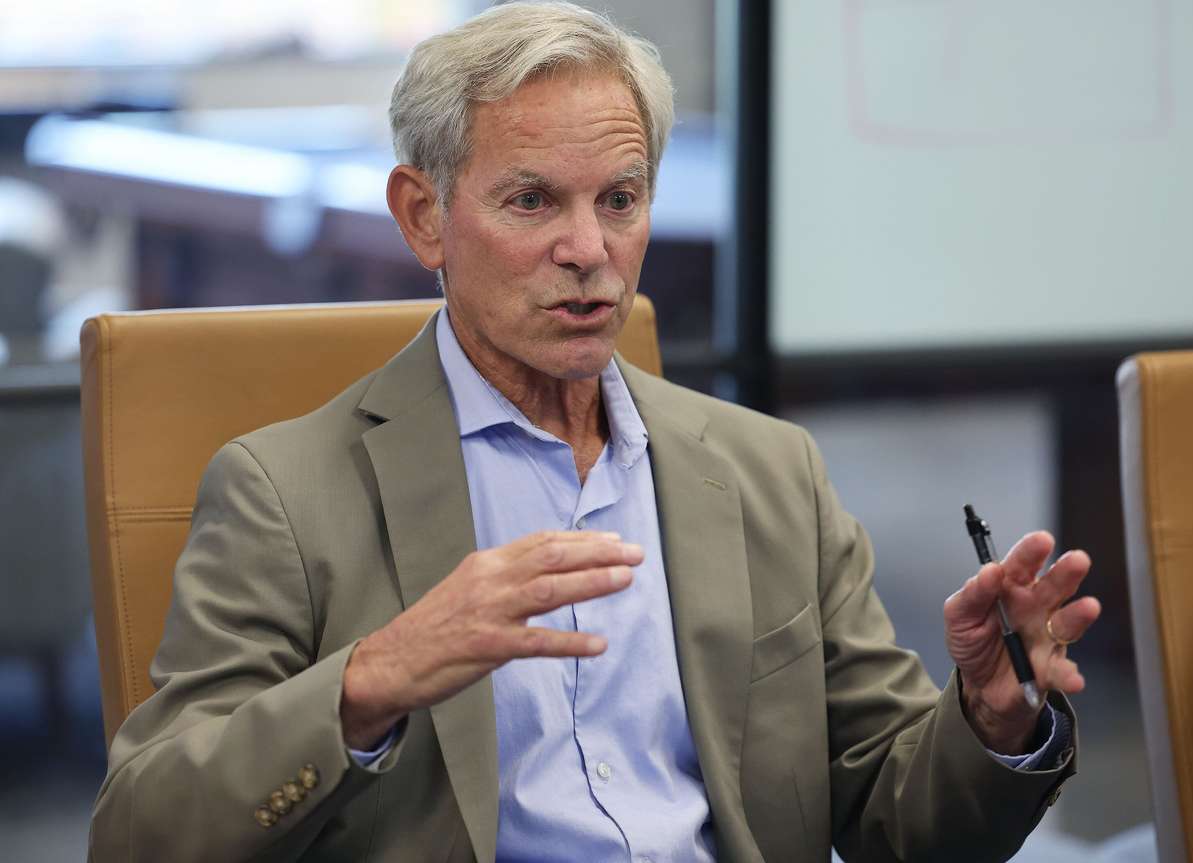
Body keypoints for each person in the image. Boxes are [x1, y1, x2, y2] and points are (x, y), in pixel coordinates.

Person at [89, 3, 1101, 861]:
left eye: (619, 200)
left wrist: (989, 715)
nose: (589, 251)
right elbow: (140, 827)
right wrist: (373, 677)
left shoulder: (764, 471)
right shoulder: (286, 490)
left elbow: (898, 818)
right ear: (423, 217)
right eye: (531, 200)